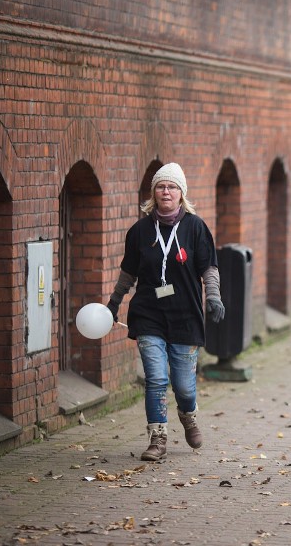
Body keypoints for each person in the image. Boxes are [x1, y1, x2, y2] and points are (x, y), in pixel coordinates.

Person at [106, 162, 225, 461]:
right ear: (154, 193)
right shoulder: (139, 231)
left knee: (184, 386)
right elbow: (127, 273)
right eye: (161, 186)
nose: (166, 191)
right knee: (157, 379)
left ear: (181, 193)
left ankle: (188, 415)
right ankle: (157, 436)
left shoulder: (196, 228)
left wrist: (214, 297)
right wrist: (113, 303)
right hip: (149, 314)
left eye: (172, 186)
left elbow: (209, 268)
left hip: (185, 315)